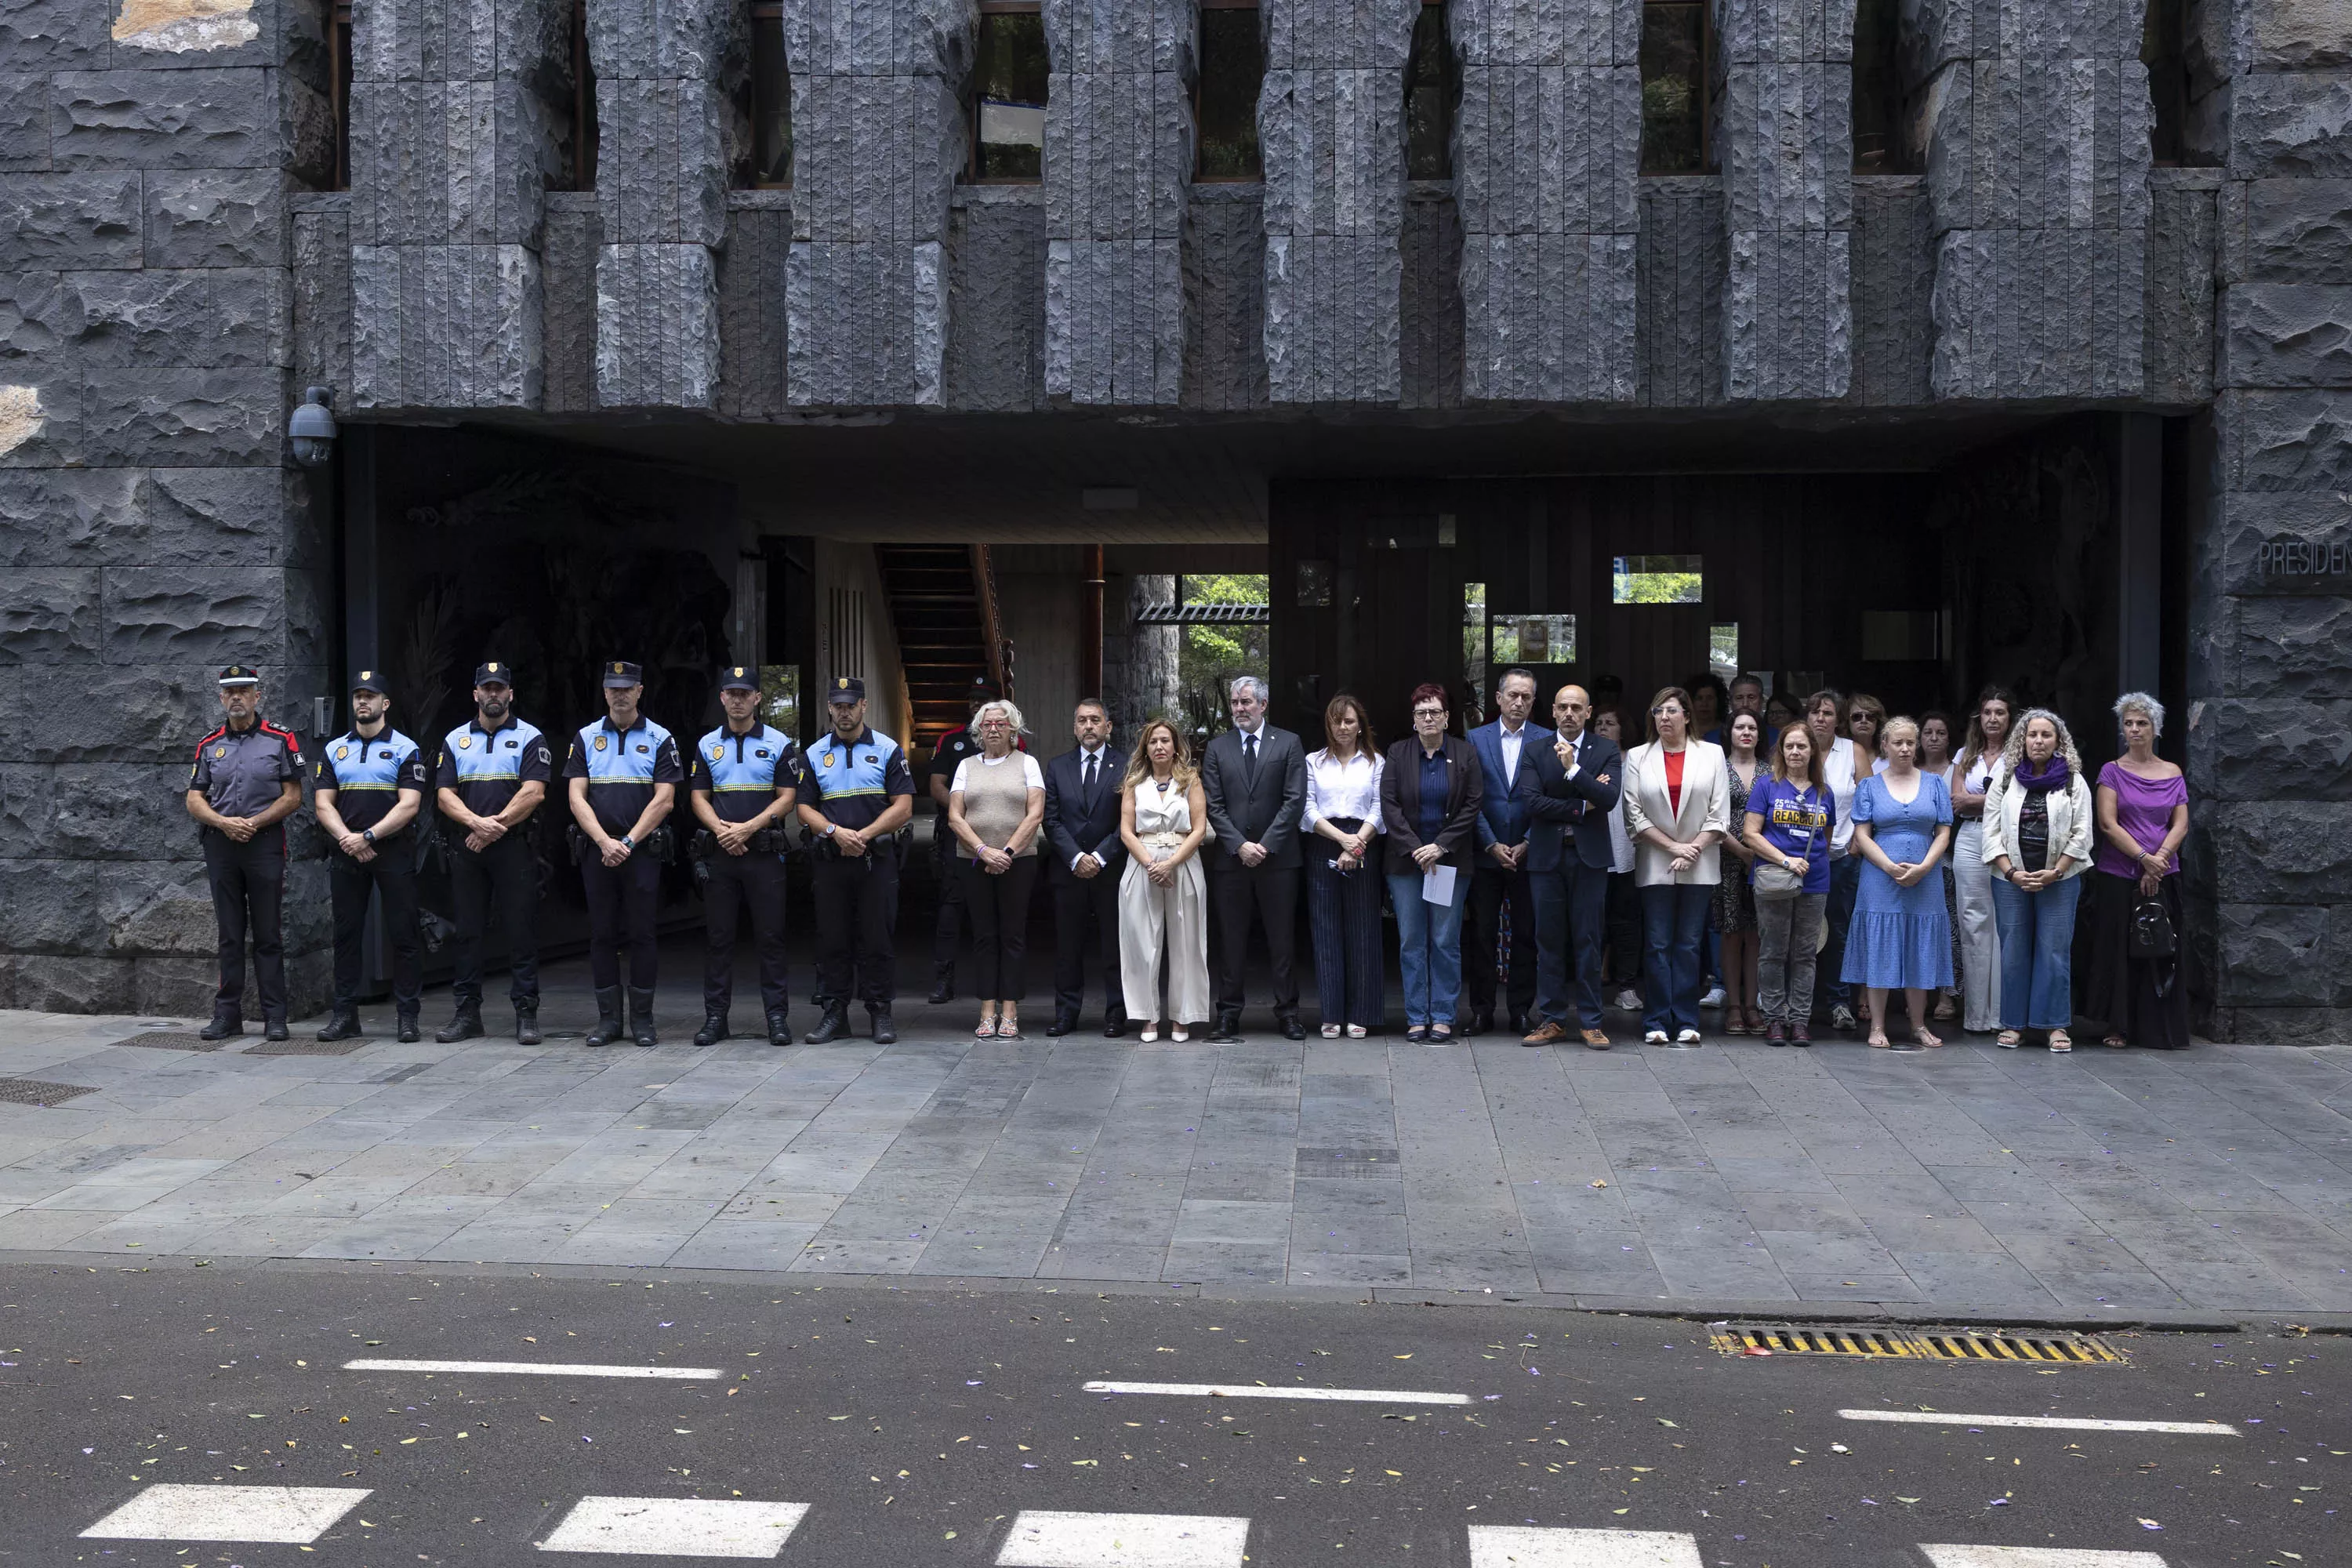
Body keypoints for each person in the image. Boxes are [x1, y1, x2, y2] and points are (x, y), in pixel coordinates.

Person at [564, 660, 684, 1047]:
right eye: (613, 688)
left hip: (642, 852)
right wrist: (603, 842)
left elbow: (664, 800)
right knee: (601, 935)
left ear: (639, 691)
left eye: (626, 687)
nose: (619, 693)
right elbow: (575, 796)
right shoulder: (584, 738)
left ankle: (643, 1021)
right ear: (604, 692)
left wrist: (628, 843)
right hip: (598, 852)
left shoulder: (661, 738)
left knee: (643, 935)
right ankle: (608, 1022)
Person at [183, 664, 305, 1041]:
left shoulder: (281, 740)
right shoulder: (208, 744)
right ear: (221, 698)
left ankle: (275, 1017)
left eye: (244, 690)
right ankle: (227, 1016)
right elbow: (193, 798)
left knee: (268, 932)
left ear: (257, 696)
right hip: (222, 844)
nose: (237, 696)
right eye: (230, 691)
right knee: (229, 933)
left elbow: (294, 796)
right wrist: (224, 823)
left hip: (264, 842)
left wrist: (253, 822)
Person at [434, 661, 552, 1044]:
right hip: (468, 848)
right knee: (468, 933)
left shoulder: (531, 737)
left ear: (511, 694)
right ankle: (467, 1014)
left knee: (521, 930)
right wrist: (475, 824)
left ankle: (526, 1015)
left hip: (513, 848)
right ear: (476, 694)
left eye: (500, 688)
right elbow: (444, 795)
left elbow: (534, 792)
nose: (494, 695)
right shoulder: (455, 740)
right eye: (487, 688)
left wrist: (491, 827)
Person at [795, 677, 917, 1044]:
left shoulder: (887, 749)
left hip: (875, 860)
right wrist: (835, 833)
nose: (844, 711)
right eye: (838, 705)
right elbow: (803, 808)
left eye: (851, 705)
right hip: (831, 860)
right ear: (830, 708)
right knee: (833, 938)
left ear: (864, 706)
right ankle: (835, 1014)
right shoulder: (815, 754)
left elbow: (904, 807)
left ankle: (881, 1013)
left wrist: (862, 836)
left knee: (877, 938)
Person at [310, 669, 426, 1043]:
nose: (363, 701)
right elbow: (323, 803)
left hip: (392, 850)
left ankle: (407, 1018)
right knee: (346, 934)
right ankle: (345, 1015)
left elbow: (410, 805)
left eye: (371, 696)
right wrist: (348, 838)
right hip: (347, 852)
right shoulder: (334, 749)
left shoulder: (407, 748)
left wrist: (370, 835)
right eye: (359, 696)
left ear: (385, 704)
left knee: (404, 935)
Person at [687, 666, 799, 1047]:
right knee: (719, 939)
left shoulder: (779, 742)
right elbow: (698, 797)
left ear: (757, 698)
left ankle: (777, 1019)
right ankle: (716, 1018)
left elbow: (787, 798)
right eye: (730, 693)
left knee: (771, 938)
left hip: (763, 854)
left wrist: (748, 829)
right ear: (722, 698)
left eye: (744, 693)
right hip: (721, 854)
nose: (737, 699)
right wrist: (723, 832)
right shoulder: (706, 745)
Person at [1200, 676, 1308, 1042]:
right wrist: (1240, 845)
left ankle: (1288, 1013)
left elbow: (1294, 800)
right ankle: (1228, 1014)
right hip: (1232, 861)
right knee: (1231, 941)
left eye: (1246, 702)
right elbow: (1213, 805)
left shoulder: (1289, 743)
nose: (1239, 709)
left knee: (1282, 941)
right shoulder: (1217, 748)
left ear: (1263, 704)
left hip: (1278, 860)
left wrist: (1264, 844)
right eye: (1234, 703)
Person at [2082, 691, 2191, 1051]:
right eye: (2128, 723)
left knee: (2161, 947)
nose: (2134, 729)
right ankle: (2119, 1025)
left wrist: (2157, 863)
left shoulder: (2172, 771)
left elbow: (2181, 825)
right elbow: (2108, 825)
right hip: (2120, 874)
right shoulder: (2112, 771)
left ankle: (2157, 1028)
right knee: (2121, 951)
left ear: (2155, 727)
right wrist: (2144, 858)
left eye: (2142, 723)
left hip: (2164, 873)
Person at [1622, 687, 1730, 1045]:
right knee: (1656, 944)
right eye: (1658, 711)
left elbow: (1719, 816)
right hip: (1656, 860)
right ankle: (1655, 1020)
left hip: (1699, 862)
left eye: (1671, 710)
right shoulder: (1638, 756)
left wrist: (1691, 850)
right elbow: (1633, 815)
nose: (1664, 717)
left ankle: (1686, 1020)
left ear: (1687, 715)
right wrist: (1674, 848)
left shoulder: (1712, 754)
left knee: (1687, 943)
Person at [1981, 709, 2095, 1051]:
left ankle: (2054, 1026)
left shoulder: (2074, 780)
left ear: (2058, 741)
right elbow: (1990, 831)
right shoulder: (2006, 777)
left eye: (2046, 735)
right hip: (2009, 879)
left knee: (2054, 951)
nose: (2038, 741)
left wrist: (2056, 871)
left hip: (2059, 879)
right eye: (2032, 735)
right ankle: (2013, 1024)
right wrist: (2012, 872)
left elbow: (2082, 834)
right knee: (2013, 949)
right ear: (2023, 739)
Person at [1519, 684, 1624, 1048]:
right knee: (1548, 940)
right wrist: (1582, 804)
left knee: (1589, 940)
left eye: (1576, 708)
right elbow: (1532, 801)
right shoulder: (1534, 750)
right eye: (1563, 707)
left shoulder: (1606, 750)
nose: (1569, 713)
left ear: (1589, 712)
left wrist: (1573, 770)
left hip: (1589, 857)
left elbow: (1609, 799)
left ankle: (1592, 1021)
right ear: (1552, 711)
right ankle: (1552, 1019)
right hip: (1547, 856)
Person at [1841, 717, 1955, 1050]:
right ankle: (1878, 1025)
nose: (1905, 748)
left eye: (1910, 742)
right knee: (1881, 946)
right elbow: (1862, 834)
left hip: (1926, 876)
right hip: (1880, 876)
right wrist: (1890, 866)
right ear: (1885, 746)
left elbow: (1944, 831)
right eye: (1898, 743)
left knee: (1919, 946)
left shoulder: (1935, 784)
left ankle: (1918, 1024)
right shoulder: (1870, 786)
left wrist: (1925, 866)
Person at [1379, 682, 1484, 1043]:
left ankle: (1442, 1015)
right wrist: (1416, 848)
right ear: (1413, 719)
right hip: (1407, 865)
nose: (1428, 718)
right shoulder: (1397, 753)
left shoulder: (1464, 753)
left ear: (1446, 718)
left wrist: (1439, 847)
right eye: (1421, 712)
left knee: (1444, 940)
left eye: (1435, 712)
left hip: (1447, 863)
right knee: (1411, 940)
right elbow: (1389, 805)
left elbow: (1472, 805)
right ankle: (1415, 1016)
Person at [947, 698, 1047, 1038]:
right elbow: (954, 815)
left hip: (1017, 861)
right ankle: (987, 1009)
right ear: (978, 729)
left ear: (1012, 729)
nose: (993, 729)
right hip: (973, 860)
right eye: (987, 724)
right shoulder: (966, 766)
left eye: (1000, 724)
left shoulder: (1027, 764)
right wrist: (982, 850)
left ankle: (1010, 1010)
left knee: (1013, 936)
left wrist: (1005, 852)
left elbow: (1035, 814)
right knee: (984, 936)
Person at [1118, 718, 1212, 1040]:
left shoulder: (1191, 781)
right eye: (1153, 741)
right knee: (1143, 942)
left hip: (1182, 863)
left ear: (1175, 747)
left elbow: (1199, 829)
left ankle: (1182, 1018)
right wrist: (1151, 865)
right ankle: (1147, 1018)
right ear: (1146, 748)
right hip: (1142, 863)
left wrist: (1170, 863)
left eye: (1165, 741)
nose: (1159, 746)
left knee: (1187, 942)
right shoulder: (1134, 782)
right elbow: (1126, 831)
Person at [1041, 699, 1128, 1038]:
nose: (1088, 726)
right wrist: (1077, 858)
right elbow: (1051, 818)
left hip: (1112, 870)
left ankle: (1116, 1014)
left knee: (1115, 946)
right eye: (1081, 721)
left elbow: (1128, 818)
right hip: (1069, 870)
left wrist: (1101, 856)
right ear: (1074, 727)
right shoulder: (1057, 766)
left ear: (1108, 727)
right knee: (1068, 947)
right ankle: (1066, 1014)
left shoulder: (1126, 765)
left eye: (1095, 720)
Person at [1744, 724, 1835, 1046]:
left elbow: (1826, 838)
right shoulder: (1767, 786)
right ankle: (1774, 1019)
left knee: (1805, 954)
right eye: (1789, 747)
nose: (1795, 753)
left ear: (1813, 751)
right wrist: (1786, 860)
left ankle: (1799, 1021)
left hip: (1815, 880)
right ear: (1781, 751)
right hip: (1774, 879)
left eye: (1802, 747)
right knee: (1772, 951)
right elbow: (1750, 834)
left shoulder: (1825, 792)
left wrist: (1803, 862)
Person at [1303, 693, 1385, 1038]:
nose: (1343, 727)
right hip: (1325, 838)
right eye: (1336, 721)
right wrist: (1342, 840)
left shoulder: (1375, 762)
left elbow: (1380, 810)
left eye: (1349, 721)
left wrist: (1357, 843)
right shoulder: (1313, 761)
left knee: (1363, 930)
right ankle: (1332, 1013)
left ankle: (1361, 1013)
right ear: (1328, 724)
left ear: (1360, 724)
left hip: (1364, 839)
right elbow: (1307, 810)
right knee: (1326, 931)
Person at [1464, 669, 1540, 1035]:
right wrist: (1491, 843)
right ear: (1498, 698)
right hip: (1486, 851)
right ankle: (1481, 1010)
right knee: (1482, 933)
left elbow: (1550, 799)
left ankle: (1521, 1010)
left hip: (1529, 852)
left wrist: (1527, 840)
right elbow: (1468, 799)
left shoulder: (1546, 739)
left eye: (1526, 696)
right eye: (1512, 695)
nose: (1518, 702)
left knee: (1527, 933)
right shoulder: (1475, 739)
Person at [926, 677, 1010, 1004]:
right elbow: (936, 786)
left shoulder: (1011, 741)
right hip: (957, 837)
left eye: (984, 700)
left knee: (999, 909)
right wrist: (964, 817)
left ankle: (997, 979)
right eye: (973, 699)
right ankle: (944, 977)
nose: (977, 705)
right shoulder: (950, 740)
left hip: (1000, 838)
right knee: (952, 905)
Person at [1950, 687, 2013, 1033]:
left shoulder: (2018, 754)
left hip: (2007, 838)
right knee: (1973, 923)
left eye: (2000, 712)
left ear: (2009, 718)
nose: (1993, 718)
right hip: (1971, 837)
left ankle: (2001, 1015)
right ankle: (1976, 1016)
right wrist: (1991, 799)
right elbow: (1957, 802)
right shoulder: (1965, 754)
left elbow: (2014, 800)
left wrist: (1981, 799)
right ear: (1979, 717)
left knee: (2003, 923)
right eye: (1988, 712)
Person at [1803, 688, 1863, 1033]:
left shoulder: (1852, 751)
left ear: (1838, 719)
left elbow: (1869, 800)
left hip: (1841, 856)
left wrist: (1857, 844)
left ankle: (1840, 1002)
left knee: (1838, 931)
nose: (1820, 719)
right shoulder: (1795, 746)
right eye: (1814, 712)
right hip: (1798, 858)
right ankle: (1802, 1002)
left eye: (1827, 713)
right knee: (1802, 932)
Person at [1713, 711, 1765, 1033]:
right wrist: (1742, 851)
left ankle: (1752, 1004)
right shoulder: (1717, 767)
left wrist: (1756, 855)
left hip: (1764, 861)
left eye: (1752, 727)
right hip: (1726, 856)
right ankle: (1734, 1005)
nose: (1746, 732)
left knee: (1757, 935)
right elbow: (1712, 816)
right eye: (1739, 727)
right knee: (1731, 933)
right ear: (1729, 731)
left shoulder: (1772, 771)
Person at [1592, 708, 1643, 1012]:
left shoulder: (1635, 760)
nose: (1602, 727)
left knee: (1626, 924)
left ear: (1623, 730)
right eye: (1598, 723)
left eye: (1610, 723)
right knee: (1592, 925)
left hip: (1627, 854)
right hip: (1594, 853)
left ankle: (1627, 987)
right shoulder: (1585, 757)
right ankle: (1589, 987)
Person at [1917, 710, 1962, 1023]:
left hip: (1947, 861)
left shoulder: (1956, 772)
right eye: (1928, 732)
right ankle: (1919, 995)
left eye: (1941, 733)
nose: (1934, 738)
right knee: (1918, 929)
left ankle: (1948, 994)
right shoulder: (1909, 769)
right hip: (1911, 862)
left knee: (1949, 930)